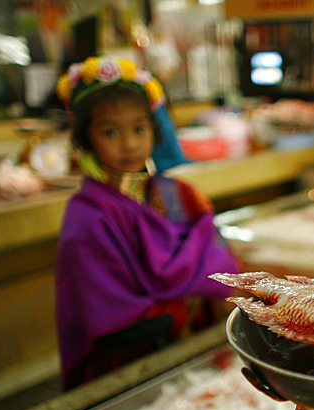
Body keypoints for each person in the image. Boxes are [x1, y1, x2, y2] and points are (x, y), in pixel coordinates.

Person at [54, 55, 238, 390]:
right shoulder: (87, 218)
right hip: (128, 373)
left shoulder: (179, 194)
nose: (129, 144)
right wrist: (187, 302)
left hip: (194, 355)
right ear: (86, 138)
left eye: (139, 128)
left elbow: (221, 262)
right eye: (110, 131)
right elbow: (111, 313)